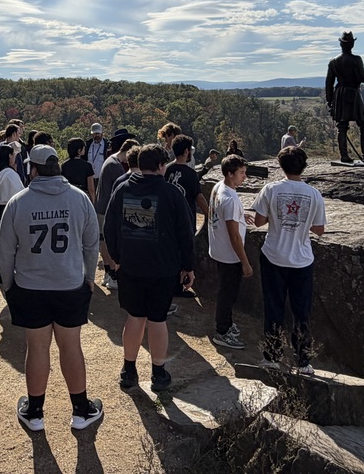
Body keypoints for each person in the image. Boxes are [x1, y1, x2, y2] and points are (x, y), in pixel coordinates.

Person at [0, 145, 103, 431]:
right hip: (70, 284)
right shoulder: (79, 199)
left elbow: (5, 250)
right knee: (71, 347)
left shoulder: (18, 202)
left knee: (37, 348)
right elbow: (92, 242)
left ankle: (35, 412)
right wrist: (89, 276)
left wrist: (9, 285)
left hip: (30, 287)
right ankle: (81, 410)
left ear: (33, 169)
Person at [105, 144, 196, 393]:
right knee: (157, 319)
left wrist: (117, 258)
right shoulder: (171, 193)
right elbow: (186, 234)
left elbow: (109, 228)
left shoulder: (122, 189)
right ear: (160, 166)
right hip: (163, 267)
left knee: (135, 317)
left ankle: (129, 370)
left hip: (130, 266)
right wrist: (188, 266)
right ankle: (158, 372)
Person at [250, 146, 327, 374]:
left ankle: (272, 357)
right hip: (301, 259)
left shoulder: (271, 189)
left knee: (273, 307)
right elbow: (320, 229)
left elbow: (259, 221)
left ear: (280, 166)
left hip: (273, 255)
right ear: (304, 166)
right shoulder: (313, 194)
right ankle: (303, 361)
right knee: (301, 311)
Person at [208, 155, 251, 350]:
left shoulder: (219, 187)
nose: (245, 177)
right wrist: (245, 262)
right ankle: (222, 331)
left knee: (226, 291)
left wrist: (241, 215)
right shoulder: (230, 199)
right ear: (230, 173)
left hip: (218, 249)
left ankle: (226, 323)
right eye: (241, 173)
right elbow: (234, 236)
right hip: (230, 255)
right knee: (228, 294)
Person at [325, 31, 364, 164]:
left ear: (341, 44)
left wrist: (330, 101)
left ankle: (344, 156)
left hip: (339, 94)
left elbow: (329, 84)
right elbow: (363, 77)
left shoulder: (333, 62)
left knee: (342, 126)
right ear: (352, 44)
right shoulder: (356, 59)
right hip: (353, 93)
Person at [93, 129, 136, 290]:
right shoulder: (115, 166)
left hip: (102, 206)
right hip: (105, 208)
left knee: (104, 240)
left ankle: (108, 274)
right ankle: (111, 274)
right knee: (107, 241)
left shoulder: (111, 160)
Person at [0, 144, 24, 217]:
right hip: (10, 208)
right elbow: (20, 193)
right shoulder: (10, 174)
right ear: (10, 156)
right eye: (13, 154)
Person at [62, 138, 96, 204]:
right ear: (79, 150)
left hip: (68, 195)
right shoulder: (87, 165)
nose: (84, 149)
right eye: (83, 148)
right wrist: (93, 201)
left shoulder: (64, 165)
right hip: (83, 196)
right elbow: (91, 188)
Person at [83, 123, 108, 190]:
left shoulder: (107, 146)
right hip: (89, 179)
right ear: (92, 134)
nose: (97, 135)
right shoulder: (87, 145)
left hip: (102, 179)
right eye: (95, 133)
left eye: (98, 133)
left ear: (102, 133)